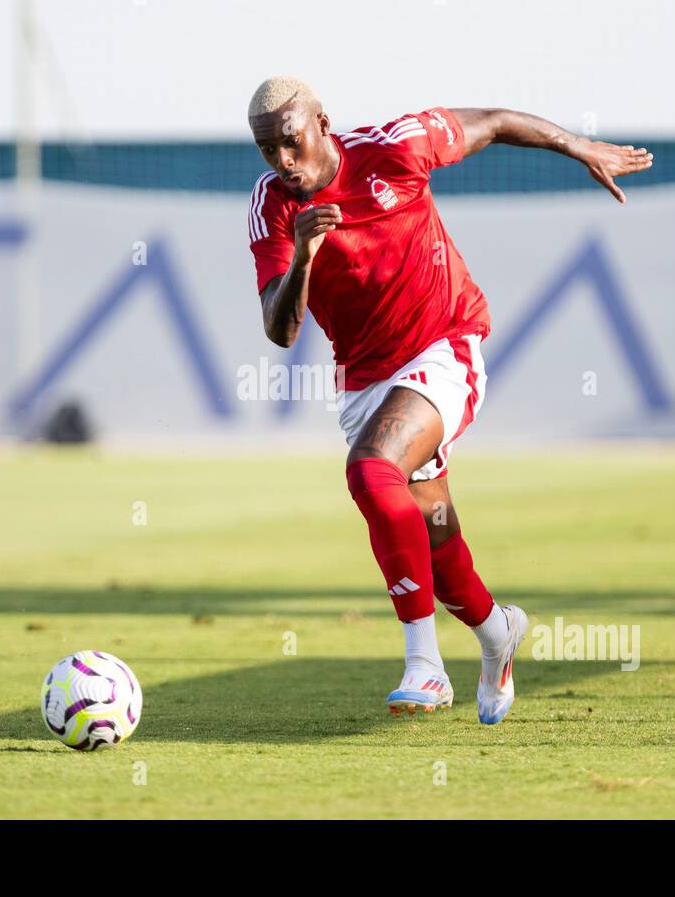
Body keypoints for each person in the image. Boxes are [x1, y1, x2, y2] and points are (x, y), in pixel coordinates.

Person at [246, 77, 653, 722]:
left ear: (322, 123)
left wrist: (581, 148)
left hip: (444, 345)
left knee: (371, 472)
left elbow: (493, 121)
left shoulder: (396, 148)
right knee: (437, 540)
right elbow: (280, 327)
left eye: (291, 143)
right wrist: (302, 254)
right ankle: (497, 633)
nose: (283, 163)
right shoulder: (271, 206)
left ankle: (424, 666)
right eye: (269, 151)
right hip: (365, 380)